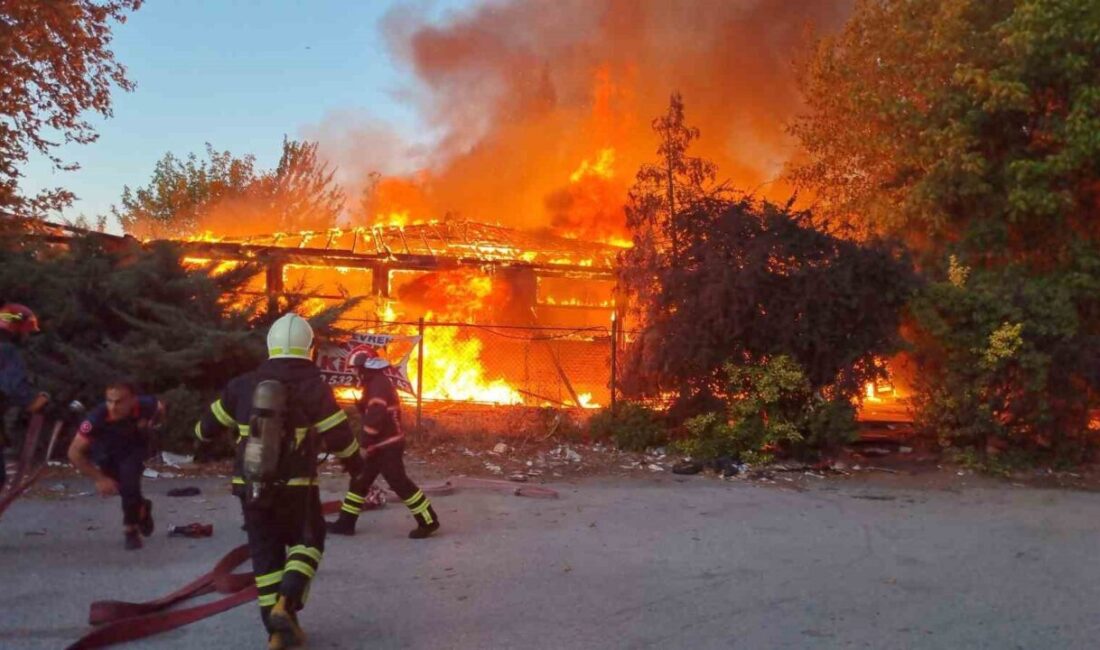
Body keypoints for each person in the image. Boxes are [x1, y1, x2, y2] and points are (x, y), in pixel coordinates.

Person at [195, 312, 363, 650]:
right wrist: (356, 464)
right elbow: (340, 437)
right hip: (297, 487)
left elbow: (204, 429)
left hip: (251, 488)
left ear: (270, 345)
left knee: (266, 558)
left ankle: (276, 633)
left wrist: (208, 440)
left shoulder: (243, 385)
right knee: (309, 540)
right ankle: (287, 601)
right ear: (309, 348)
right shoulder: (313, 387)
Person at [327, 351, 440, 539]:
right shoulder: (375, 383)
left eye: (356, 369)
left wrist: (365, 444)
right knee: (360, 480)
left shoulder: (377, 386)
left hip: (387, 445)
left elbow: (375, 417)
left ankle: (428, 521)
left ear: (365, 368)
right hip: (379, 445)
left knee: (399, 482)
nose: (355, 373)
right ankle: (345, 523)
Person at [67, 380, 164, 550]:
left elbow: (160, 407)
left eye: (118, 401)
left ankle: (130, 530)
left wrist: (151, 422)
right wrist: (99, 478)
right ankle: (142, 507)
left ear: (133, 400)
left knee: (129, 484)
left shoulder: (144, 405)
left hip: (134, 448)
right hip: (106, 452)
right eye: (109, 401)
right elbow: (74, 453)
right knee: (121, 487)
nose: (112, 406)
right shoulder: (97, 418)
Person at [0, 303, 49, 488]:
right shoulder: (7, 351)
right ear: (15, 329)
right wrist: (41, 400)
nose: (27, 335)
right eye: (25, 331)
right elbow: (16, 390)